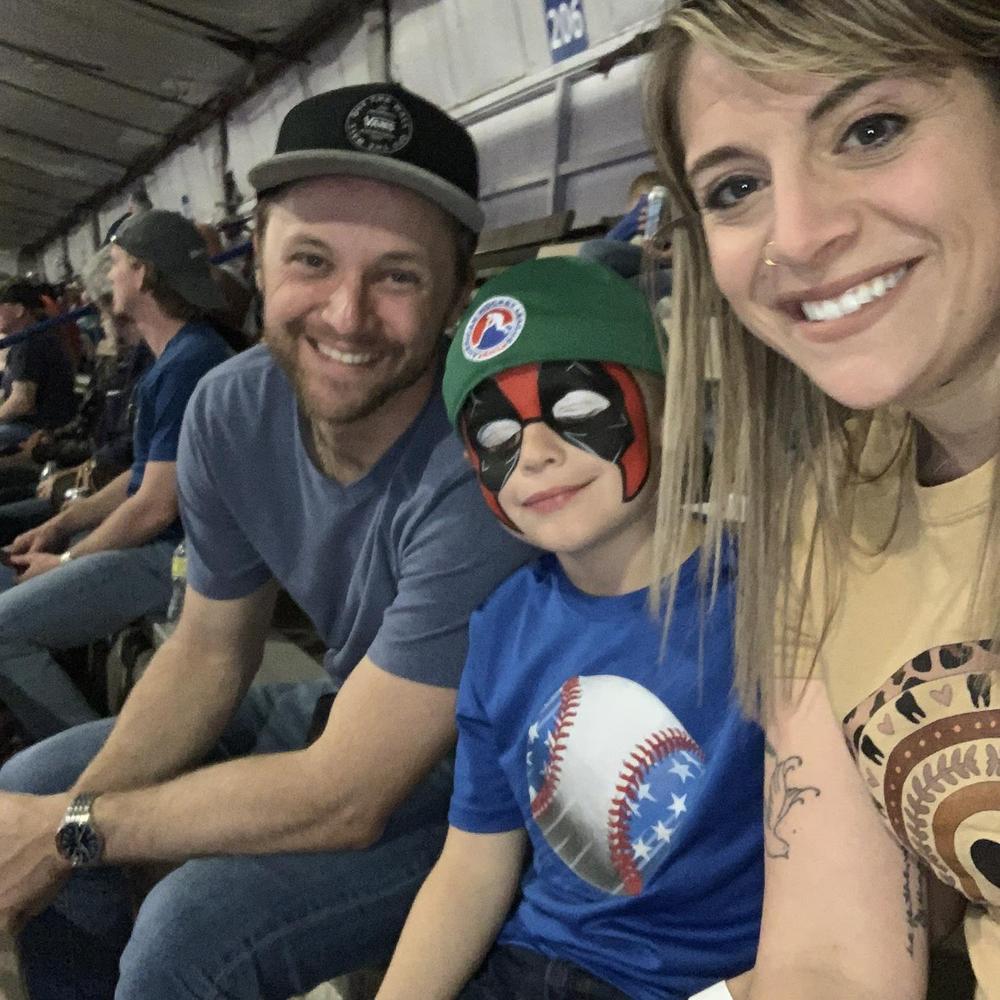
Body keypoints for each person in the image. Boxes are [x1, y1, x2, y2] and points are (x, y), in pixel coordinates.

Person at [0, 83, 533, 999]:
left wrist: (73, 833)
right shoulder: (232, 405)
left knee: (186, 933)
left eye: (399, 275)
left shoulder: (487, 456)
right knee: (31, 782)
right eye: (312, 260)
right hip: (337, 708)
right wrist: (69, 818)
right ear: (261, 260)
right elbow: (211, 650)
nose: (347, 313)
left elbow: (351, 794)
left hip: (479, 791)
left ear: (456, 297)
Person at [644, 1, 1000, 998]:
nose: (797, 236)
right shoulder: (826, 507)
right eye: (736, 187)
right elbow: (833, 961)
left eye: (870, 129)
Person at [376, 257, 762, 1000]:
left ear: (668, 408)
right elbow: (473, 867)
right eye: (496, 433)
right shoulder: (502, 627)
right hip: (528, 965)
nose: (536, 454)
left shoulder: (763, 599)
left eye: (579, 406)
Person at [0, 209, 232, 743]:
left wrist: (65, 562)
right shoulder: (176, 358)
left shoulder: (187, 364)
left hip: (180, 559)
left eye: (118, 263)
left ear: (144, 275)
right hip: (166, 545)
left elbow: (155, 506)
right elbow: (136, 479)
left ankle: (91, 756)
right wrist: (58, 527)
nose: (109, 276)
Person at [0, 280, 78, 453]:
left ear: (19, 310)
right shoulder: (37, 335)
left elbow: (22, 402)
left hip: (39, 430)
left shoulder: (28, 343)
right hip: (49, 425)